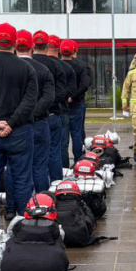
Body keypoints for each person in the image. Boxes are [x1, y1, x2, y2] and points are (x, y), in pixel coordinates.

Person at [0, 23, 37, 235]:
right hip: (19, 132)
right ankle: (23, 229)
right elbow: (29, 101)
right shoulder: (26, 68)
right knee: (23, 180)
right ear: (15, 43)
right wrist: (12, 123)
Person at [15, 29, 55, 192]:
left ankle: (13, 207)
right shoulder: (43, 69)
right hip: (38, 122)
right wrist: (32, 114)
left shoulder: (12, 68)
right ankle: (43, 202)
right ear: (30, 46)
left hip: (15, 126)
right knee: (39, 166)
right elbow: (48, 97)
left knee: (16, 169)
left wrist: (16, 117)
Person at [33, 30, 70, 182]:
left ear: (33, 45)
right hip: (52, 114)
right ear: (47, 45)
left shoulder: (26, 63)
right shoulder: (56, 65)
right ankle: (56, 186)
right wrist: (47, 105)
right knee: (53, 153)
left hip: (28, 118)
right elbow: (62, 93)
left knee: (30, 158)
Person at [48, 34, 76, 170]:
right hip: (61, 110)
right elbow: (69, 90)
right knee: (61, 145)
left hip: (40, 114)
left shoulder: (36, 65)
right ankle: (62, 172)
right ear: (58, 48)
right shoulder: (65, 67)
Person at [61, 39, 90, 163]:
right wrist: (73, 96)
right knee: (77, 134)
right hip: (76, 104)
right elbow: (85, 84)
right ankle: (79, 161)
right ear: (74, 50)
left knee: (63, 137)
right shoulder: (81, 66)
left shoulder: (57, 65)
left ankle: (64, 164)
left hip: (61, 106)